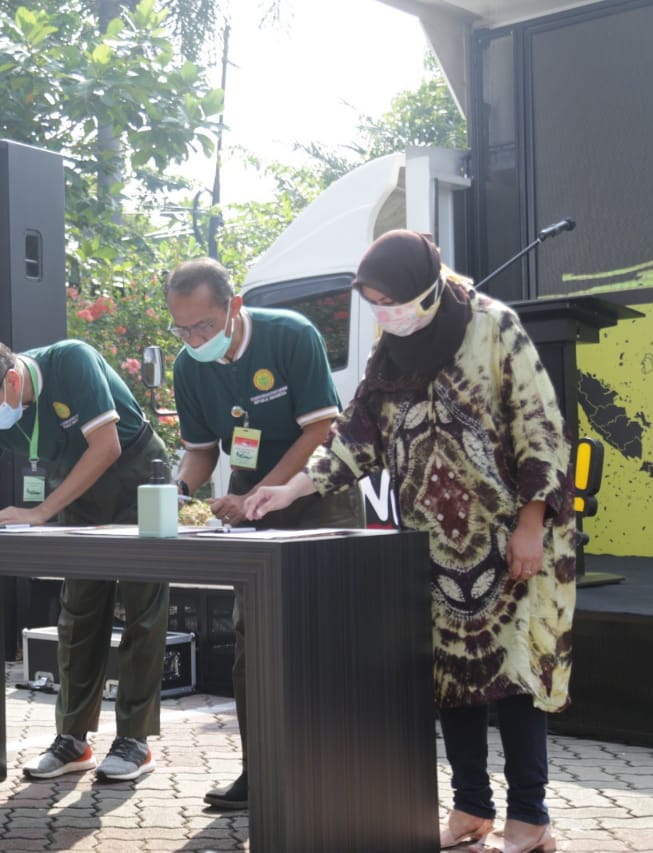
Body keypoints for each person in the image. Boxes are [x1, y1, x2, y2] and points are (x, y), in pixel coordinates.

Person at [242, 230, 574, 853]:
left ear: (425, 287)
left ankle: (531, 817)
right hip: (434, 542)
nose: (383, 313)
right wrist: (291, 490)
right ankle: (471, 807)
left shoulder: (493, 327)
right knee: (451, 677)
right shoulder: (390, 349)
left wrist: (532, 526)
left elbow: (541, 429)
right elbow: (356, 434)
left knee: (516, 678)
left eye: (389, 301)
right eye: (372, 303)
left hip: (509, 537)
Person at [0, 333, 170, 783]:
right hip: (75, 487)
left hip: (136, 476)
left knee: (142, 610)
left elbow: (107, 447)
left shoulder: (71, 360)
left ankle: (135, 740)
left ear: (13, 380)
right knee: (78, 613)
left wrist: (40, 512)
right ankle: (72, 740)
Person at [162, 257, 363, 811]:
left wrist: (268, 491)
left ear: (234, 307)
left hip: (319, 493)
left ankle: (342, 769)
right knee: (254, 640)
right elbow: (202, 451)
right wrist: (178, 490)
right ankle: (262, 770)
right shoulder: (189, 368)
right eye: (182, 329)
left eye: (203, 325)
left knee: (331, 635)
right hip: (254, 499)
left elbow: (321, 429)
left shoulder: (290, 335)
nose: (193, 339)